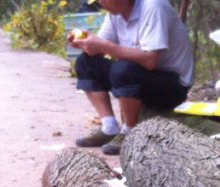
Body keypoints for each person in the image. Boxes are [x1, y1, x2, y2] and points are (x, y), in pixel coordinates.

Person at [69, 0, 194, 155]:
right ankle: (109, 128)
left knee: (123, 68)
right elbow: (99, 50)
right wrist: (85, 44)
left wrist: (103, 46)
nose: (100, 2)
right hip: (140, 77)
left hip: (172, 86)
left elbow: (150, 61)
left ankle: (129, 131)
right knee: (85, 62)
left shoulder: (153, 7)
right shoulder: (115, 12)